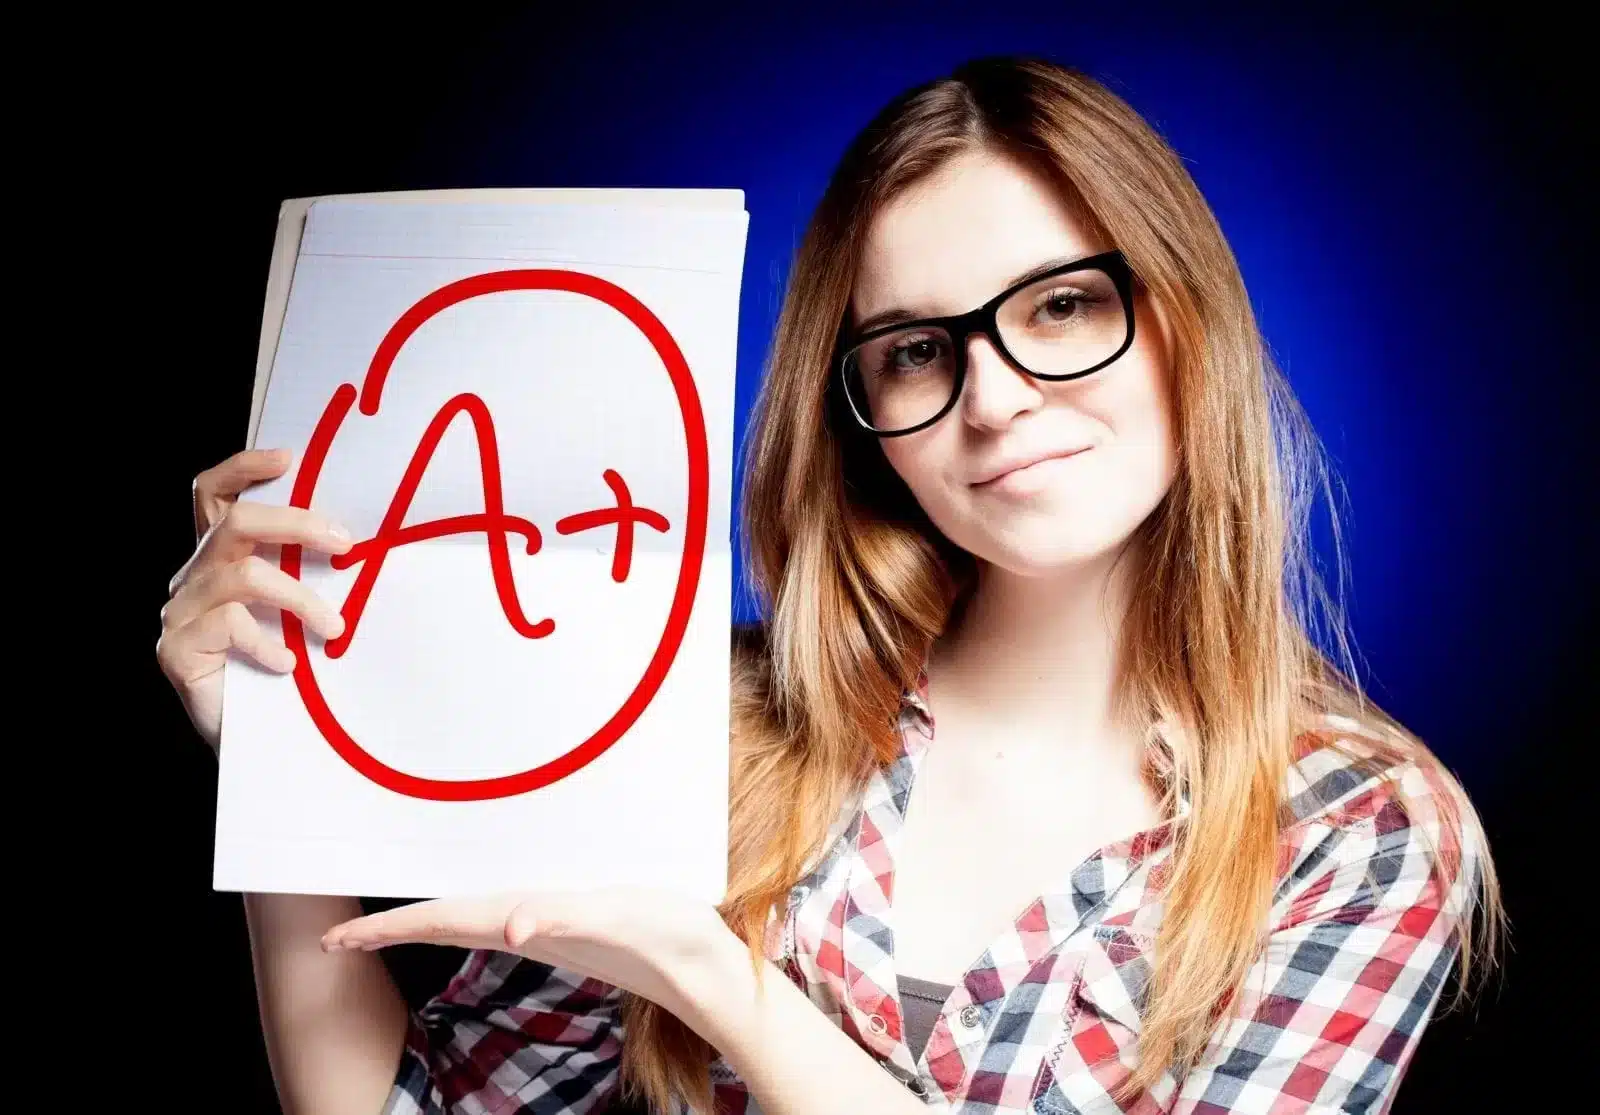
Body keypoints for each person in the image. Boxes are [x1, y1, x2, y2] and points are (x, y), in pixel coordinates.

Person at [157, 55, 1505, 1114]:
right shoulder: (709, 736)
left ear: (1180, 320)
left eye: (1060, 307)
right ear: (860, 411)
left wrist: (711, 976)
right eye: (919, 350)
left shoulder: (1358, 834)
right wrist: (283, 770)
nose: (995, 398)